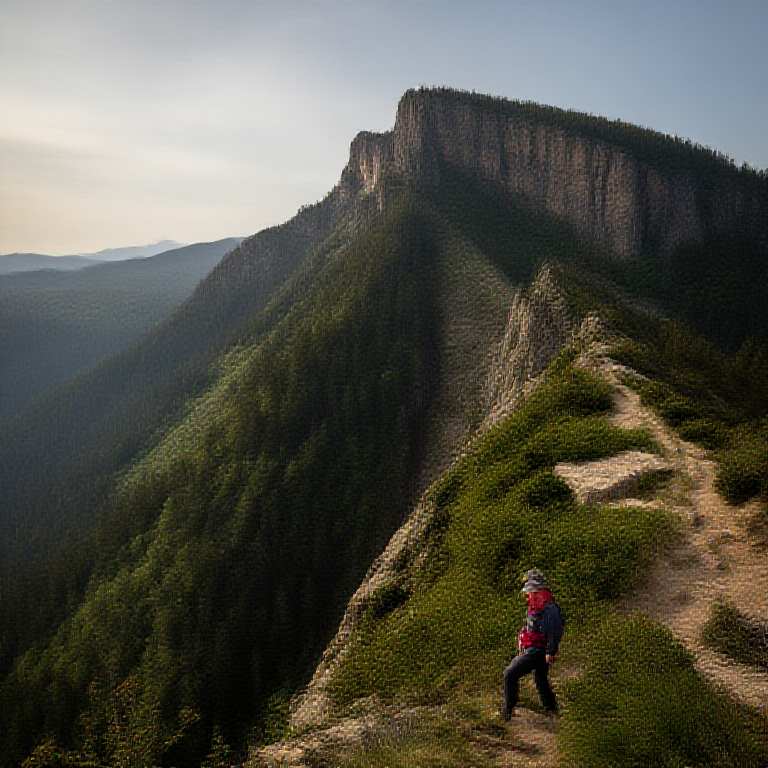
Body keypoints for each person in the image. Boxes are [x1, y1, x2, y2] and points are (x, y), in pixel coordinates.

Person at [502, 569, 564, 720]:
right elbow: (531, 625)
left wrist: (550, 651)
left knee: (510, 674)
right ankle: (551, 708)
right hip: (535, 646)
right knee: (540, 679)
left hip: (538, 649)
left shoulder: (549, 607)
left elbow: (555, 630)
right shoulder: (538, 601)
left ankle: (508, 711)